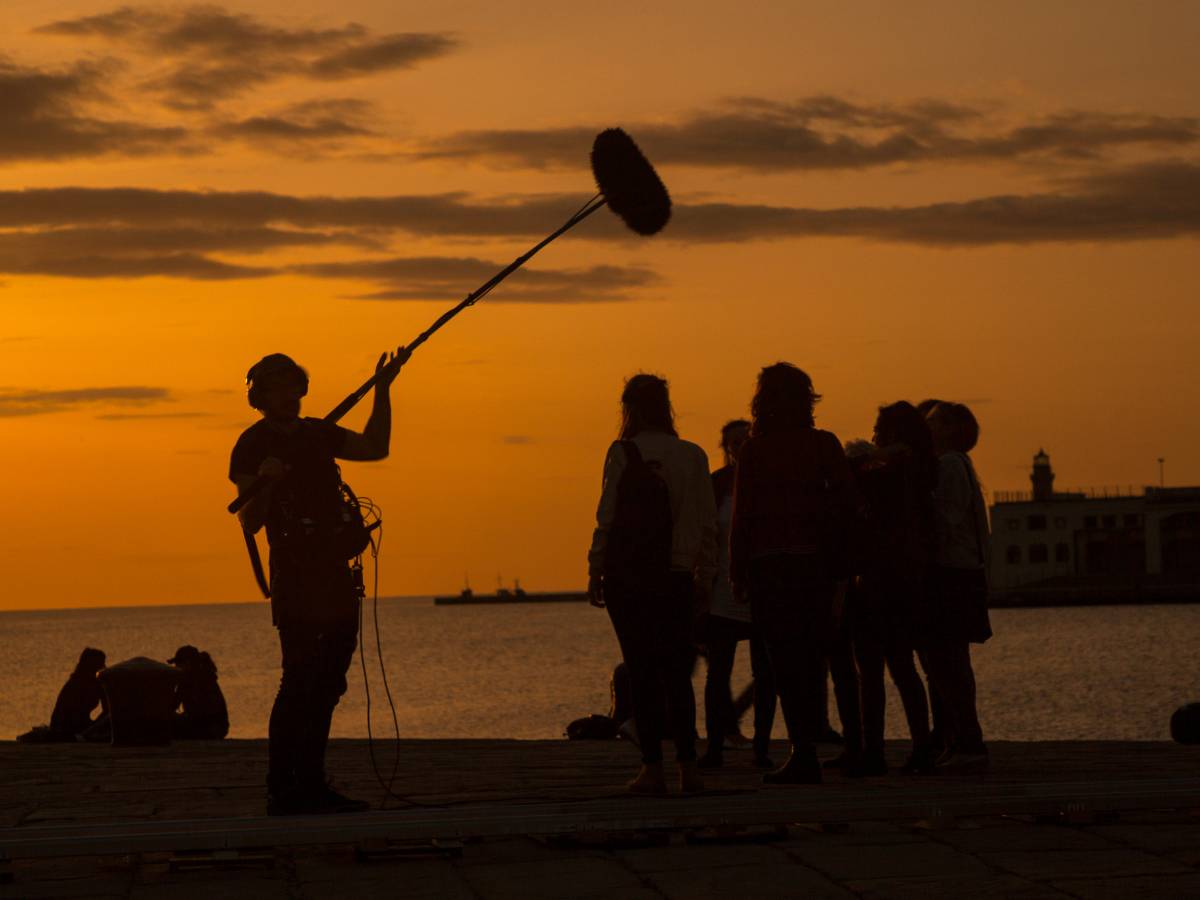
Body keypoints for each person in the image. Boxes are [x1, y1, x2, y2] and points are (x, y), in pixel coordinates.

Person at [230, 348, 407, 815]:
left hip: (333, 572)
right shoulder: (251, 445)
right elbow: (249, 520)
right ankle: (282, 788)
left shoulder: (318, 434)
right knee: (298, 681)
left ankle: (310, 782)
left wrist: (383, 390)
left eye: (293, 386)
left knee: (329, 682)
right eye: (276, 388)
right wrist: (266, 480)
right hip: (294, 576)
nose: (288, 395)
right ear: (260, 396)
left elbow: (375, 447)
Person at [587, 373, 717, 795]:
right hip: (678, 576)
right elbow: (708, 525)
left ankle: (652, 769)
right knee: (677, 675)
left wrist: (595, 568)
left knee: (641, 671)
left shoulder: (623, 452)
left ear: (629, 409)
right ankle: (689, 769)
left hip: (630, 575)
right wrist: (705, 577)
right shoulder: (694, 455)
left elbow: (606, 517)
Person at [730, 363, 859, 784]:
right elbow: (846, 506)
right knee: (817, 656)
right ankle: (848, 746)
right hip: (816, 565)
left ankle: (802, 749)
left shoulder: (754, 450)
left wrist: (737, 568)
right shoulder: (824, 445)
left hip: (769, 565)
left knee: (784, 663)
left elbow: (742, 515)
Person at [849, 402, 938, 775]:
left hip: (877, 575)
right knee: (902, 666)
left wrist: (870, 456)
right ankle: (921, 746)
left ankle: (874, 751)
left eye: (878, 429)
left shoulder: (889, 469)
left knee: (870, 669)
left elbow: (851, 472)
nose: (873, 436)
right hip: (908, 576)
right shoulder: (924, 467)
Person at [699, 419, 776, 770]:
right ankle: (714, 745)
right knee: (718, 672)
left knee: (766, 671)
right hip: (722, 590)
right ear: (725, 447)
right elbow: (704, 534)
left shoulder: (770, 483)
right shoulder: (716, 485)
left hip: (761, 588)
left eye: (747, 439)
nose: (740, 446)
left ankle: (762, 746)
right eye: (734, 441)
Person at [923, 401, 991, 771]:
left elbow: (943, 517)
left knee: (948, 661)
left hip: (952, 572)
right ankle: (960, 739)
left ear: (949, 428)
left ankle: (967, 740)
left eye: (933, 422)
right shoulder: (961, 465)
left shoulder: (949, 465)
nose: (926, 427)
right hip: (964, 571)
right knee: (950, 661)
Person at [168, 645, 230, 740]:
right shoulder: (190, 679)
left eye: (178, 664)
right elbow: (173, 706)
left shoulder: (201, 679)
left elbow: (202, 713)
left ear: (188, 663)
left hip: (212, 728)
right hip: (212, 727)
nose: (176, 667)